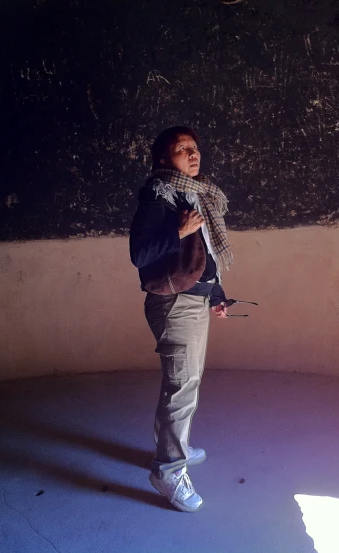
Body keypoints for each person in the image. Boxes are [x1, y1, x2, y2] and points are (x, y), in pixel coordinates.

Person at [129, 126, 234, 513]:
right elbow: (140, 255)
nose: (192, 155)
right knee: (180, 386)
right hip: (174, 303)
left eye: (194, 148)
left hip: (194, 299)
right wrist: (177, 230)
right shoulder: (158, 198)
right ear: (162, 160)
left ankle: (177, 445)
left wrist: (216, 294)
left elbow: (204, 254)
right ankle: (169, 469)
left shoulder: (194, 193)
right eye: (181, 150)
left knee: (186, 383)